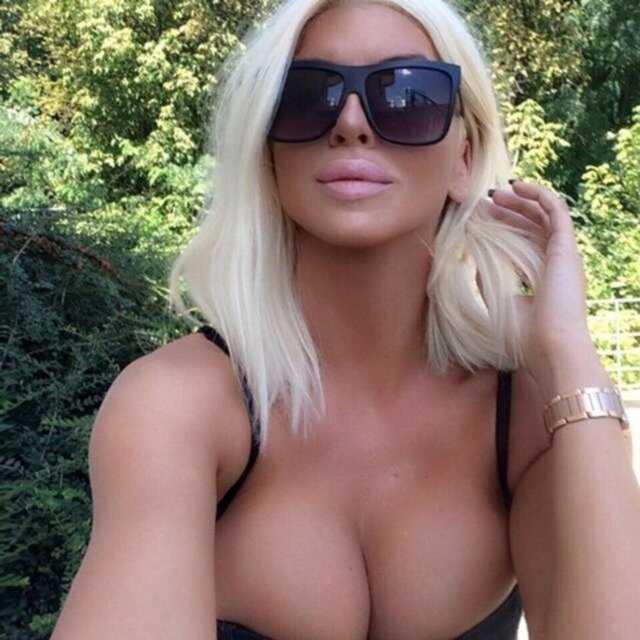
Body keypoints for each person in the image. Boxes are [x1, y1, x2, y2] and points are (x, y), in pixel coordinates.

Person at [51, 0, 636, 639]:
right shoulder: (179, 407)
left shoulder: (525, 405)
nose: (351, 123)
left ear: (463, 158)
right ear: (268, 154)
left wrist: (568, 350)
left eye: (407, 95)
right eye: (307, 96)